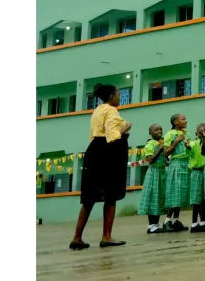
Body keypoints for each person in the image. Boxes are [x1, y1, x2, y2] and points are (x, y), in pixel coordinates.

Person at [69, 83, 132, 250]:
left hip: (93, 151)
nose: (119, 98)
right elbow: (112, 135)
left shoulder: (97, 110)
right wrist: (126, 127)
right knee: (111, 195)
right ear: (111, 96)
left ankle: (77, 237)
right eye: (118, 95)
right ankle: (107, 236)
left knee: (89, 198)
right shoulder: (111, 110)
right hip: (107, 154)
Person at [161, 113, 191, 232]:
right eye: (183, 119)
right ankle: (167, 221)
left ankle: (175, 221)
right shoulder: (169, 134)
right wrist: (176, 141)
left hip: (186, 164)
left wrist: (189, 147)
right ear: (175, 122)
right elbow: (166, 153)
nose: (186, 121)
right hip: (176, 164)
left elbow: (190, 149)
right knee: (174, 193)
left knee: (181, 194)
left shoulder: (186, 134)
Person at [137, 123, 167, 233]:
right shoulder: (149, 144)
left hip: (162, 172)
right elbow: (150, 160)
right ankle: (151, 225)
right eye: (156, 130)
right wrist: (160, 149)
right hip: (154, 172)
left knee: (159, 198)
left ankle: (156, 224)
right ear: (150, 133)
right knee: (153, 197)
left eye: (160, 129)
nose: (159, 131)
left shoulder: (163, 143)